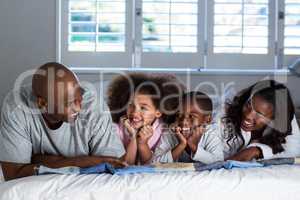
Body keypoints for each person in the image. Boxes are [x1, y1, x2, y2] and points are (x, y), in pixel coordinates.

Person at [0, 62, 126, 181]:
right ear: (43, 103)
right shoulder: (16, 107)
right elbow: (12, 173)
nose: (78, 107)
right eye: (69, 103)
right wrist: (83, 161)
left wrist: (38, 161)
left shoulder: (93, 106)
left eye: (80, 97)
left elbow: (113, 164)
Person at [107, 73, 184, 164]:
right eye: (131, 105)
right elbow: (126, 164)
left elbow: (154, 165)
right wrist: (133, 137)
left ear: (158, 112)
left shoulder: (165, 132)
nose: (135, 112)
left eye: (143, 108)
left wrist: (143, 143)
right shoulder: (116, 129)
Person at [222, 79, 300, 161]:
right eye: (249, 105)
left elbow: (294, 150)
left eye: (259, 114)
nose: (248, 116)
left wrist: (256, 150)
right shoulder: (226, 112)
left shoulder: (284, 119)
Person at [153, 91, 224, 164]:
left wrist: (193, 147)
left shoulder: (210, 133)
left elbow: (219, 162)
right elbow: (155, 162)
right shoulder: (170, 133)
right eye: (179, 116)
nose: (183, 122)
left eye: (191, 116)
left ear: (207, 119)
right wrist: (181, 145)